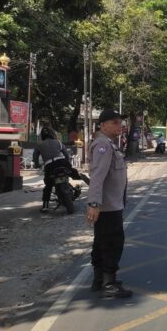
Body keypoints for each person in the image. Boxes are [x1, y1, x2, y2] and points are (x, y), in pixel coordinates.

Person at [87, 109, 133, 298]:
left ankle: (100, 280)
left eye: (120, 122)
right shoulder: (103, 146)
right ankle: (108, 284)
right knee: (112, 243)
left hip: (111, 204)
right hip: (107, 206)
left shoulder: (110, 145)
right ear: (103, 125)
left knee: (102, 242)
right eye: (115, 122)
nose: (119, 125)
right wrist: (94, 203)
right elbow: (97, 176)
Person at [33, 127, 89, 212]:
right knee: (72, 172)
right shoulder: (58, 142)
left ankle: (45, 205)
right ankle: (80, 178)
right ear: (53, 134)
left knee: (48, 185)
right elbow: (66, 154)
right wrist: (68, 163)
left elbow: (35, 157)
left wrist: (37, 165)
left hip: (49, 166)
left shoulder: (39, 145)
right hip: (61, 162)